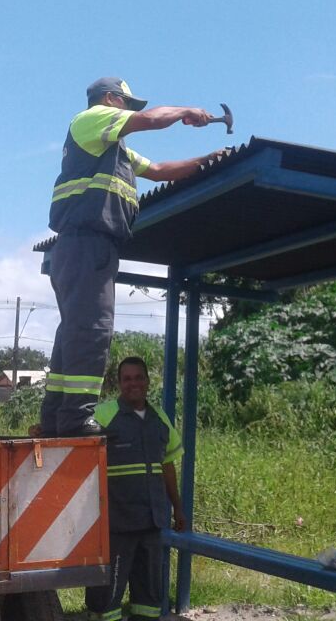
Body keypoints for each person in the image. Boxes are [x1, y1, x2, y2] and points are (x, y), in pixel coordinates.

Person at [42, 77, 220, 437]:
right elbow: (152, 119)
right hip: (87, 243)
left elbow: (157, 171)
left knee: (75, 331)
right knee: (92, 329)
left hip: (85, 247)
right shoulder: (91, 118)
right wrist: (187, 111)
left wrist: (208, 160)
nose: (128, 113)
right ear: (110, 99)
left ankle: (56, 417)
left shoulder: (114, 150)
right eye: (126, 104)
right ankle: (76, 419)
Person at [85, 356, 185, 621]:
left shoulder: (160, 418)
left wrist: (178, 509)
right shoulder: (102, 415)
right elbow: (75, 445)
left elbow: (168, 466)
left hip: (152, 523)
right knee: (106, 597)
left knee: (150, 600)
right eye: (127, 379)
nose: (134, 384)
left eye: (139, 377)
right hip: (116, 525)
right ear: (119, 384)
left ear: (148, 381)